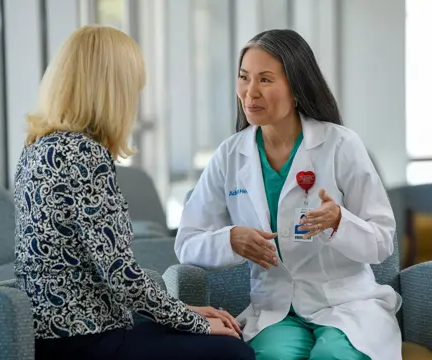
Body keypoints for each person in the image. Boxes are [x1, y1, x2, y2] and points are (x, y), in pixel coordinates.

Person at [13, 25, 255, 360]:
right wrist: (194, 322)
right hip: (87, 340)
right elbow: (120, 277)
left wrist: (182, 310)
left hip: (55, 336)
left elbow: (103, 272)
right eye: (134, 87)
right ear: (113, 90)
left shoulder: (38, 147)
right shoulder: (85, 155)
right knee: (233, 351)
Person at [175, 29, 402, 360]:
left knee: (332, 356)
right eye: (244, 78)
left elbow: (382, 242)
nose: (250, 92)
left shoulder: (340, 145)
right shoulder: (230, 155)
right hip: (275, 309)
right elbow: (186, 244)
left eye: (265, 80)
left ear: (296, 88)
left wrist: (340, 221)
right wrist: (230, 240)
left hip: (346, 303)